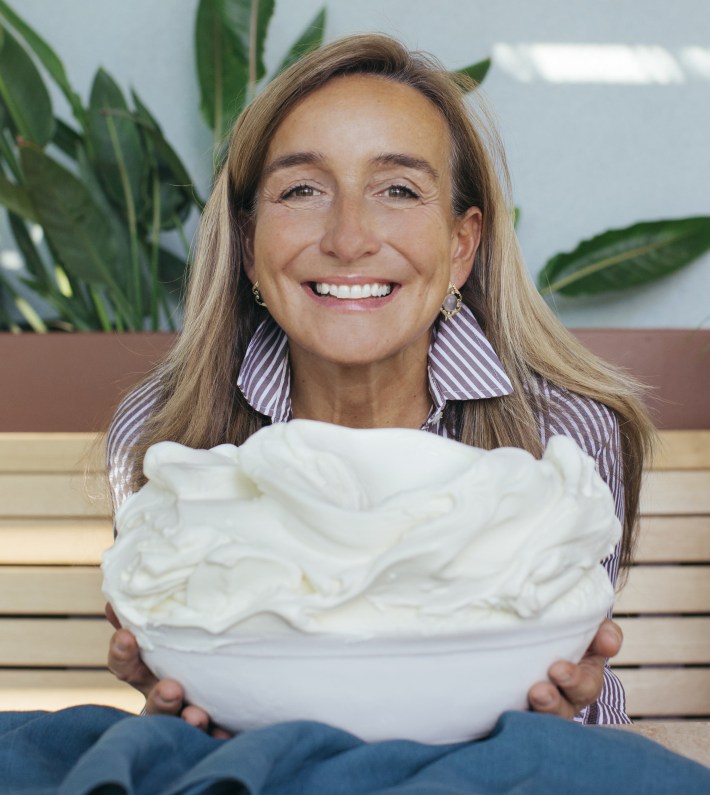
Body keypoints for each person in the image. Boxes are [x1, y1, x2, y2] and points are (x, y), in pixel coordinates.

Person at [105, 33, 654, 735]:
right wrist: (172, 712)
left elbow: (581, 702)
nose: (349, 237)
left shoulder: (566, 432)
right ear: (247, 244)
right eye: (302, 189)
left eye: (398, 190)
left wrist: (567, 719)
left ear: (462, 245)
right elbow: (183, 684)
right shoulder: (161, 433)